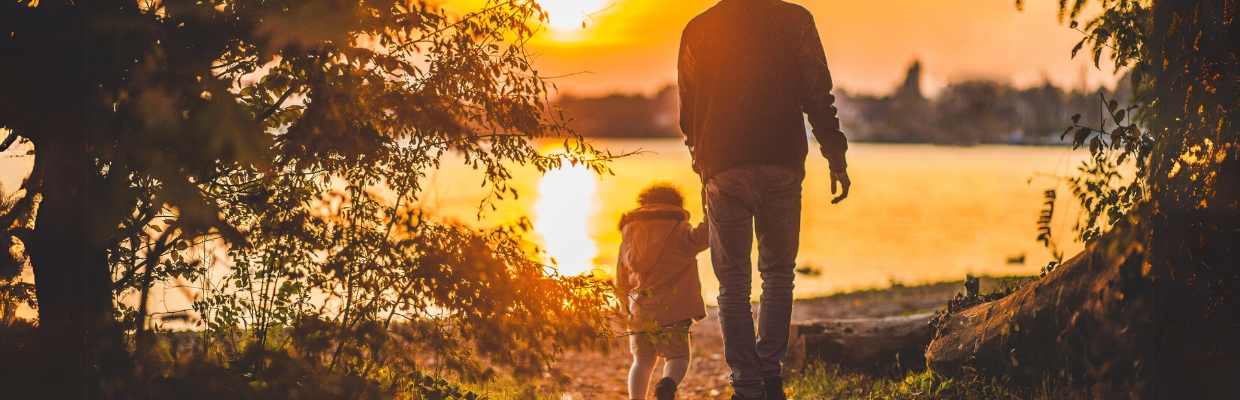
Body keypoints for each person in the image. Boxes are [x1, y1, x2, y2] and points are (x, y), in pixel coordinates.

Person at [678, 1, 852, 399]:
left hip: (723, 166)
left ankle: (746, 386)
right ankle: (770, 378)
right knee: (777, 274)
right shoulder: (795, 20)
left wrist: (700, 159)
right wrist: (835, 155)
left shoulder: (699, 28)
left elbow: (688, 108)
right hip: (780, 162)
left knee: (733, 285)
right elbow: (817, 92)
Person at [615, 182, 710, 400]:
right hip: (673, 311)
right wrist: (710, 203)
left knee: (641, 361)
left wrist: (625, 307)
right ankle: (667, 385)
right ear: (675, 205)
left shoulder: (629, 233)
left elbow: (621, 276)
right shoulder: (679, 230)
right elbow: (706, 235)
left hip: (639, 311)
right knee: (678, 357)